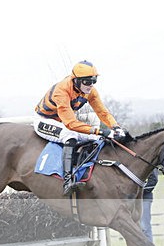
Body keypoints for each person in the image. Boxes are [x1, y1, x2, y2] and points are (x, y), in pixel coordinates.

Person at [34, 60, 126, 195]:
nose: (91, 85)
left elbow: (102, 112)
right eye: (87, 82)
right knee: (70, 136)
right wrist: (101, 130)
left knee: (97, 137)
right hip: (45, 120)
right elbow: (71, 124)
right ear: (76, 80)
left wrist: (115, 127)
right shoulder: (62, 90)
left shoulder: (90, 91)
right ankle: (67, 181)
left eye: (94, 81)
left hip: (63, 121)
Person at [140, 169, 158, 242]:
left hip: (144, 198)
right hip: (131, 198)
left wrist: (140, 191)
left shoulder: (149, 159)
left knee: (144, 226)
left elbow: (153, 179)